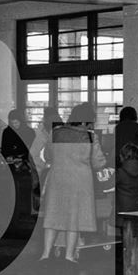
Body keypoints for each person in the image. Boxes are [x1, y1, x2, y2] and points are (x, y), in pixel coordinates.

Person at [39, 102, 105, 263]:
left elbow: (48, 156)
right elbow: (98, 163)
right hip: (80, 182)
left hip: (58, 179)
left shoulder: (56, 133)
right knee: (74, 218)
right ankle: (69, 256)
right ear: (87, 120)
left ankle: (45, 254)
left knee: (52, 216)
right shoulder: (90, 136)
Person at [115, 142, 138, 226]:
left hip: (122, 207)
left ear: (122, 156)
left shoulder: (120, 172)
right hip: (137, 206)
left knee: (125, 233)